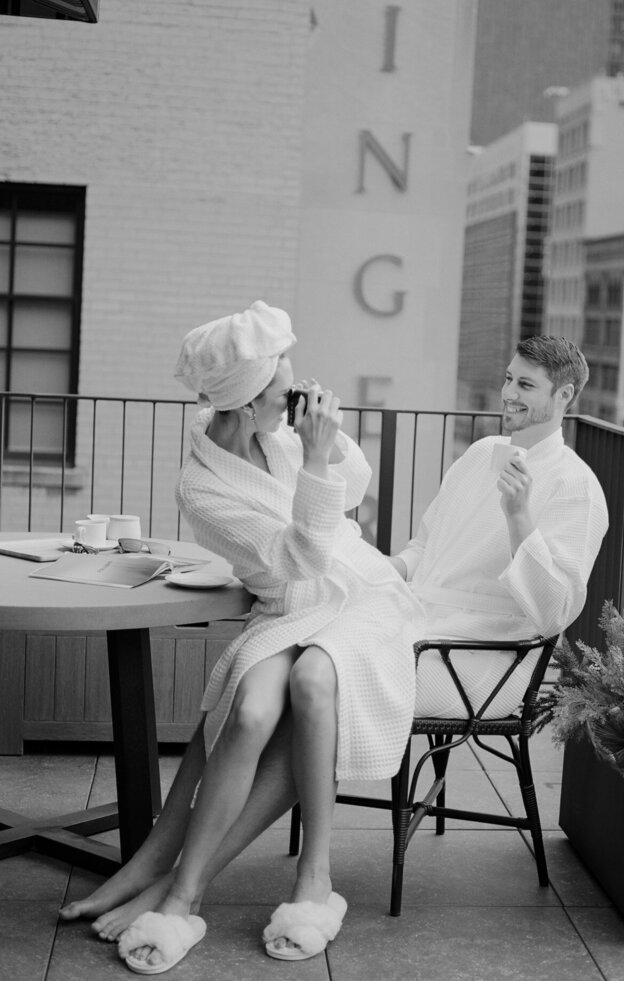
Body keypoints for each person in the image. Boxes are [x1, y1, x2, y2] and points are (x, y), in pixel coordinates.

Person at [60, 301, 424, 972]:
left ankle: (177, 885)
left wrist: (329, 447)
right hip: (291, 603)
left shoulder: (287, 437)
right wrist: (315, 459)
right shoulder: (200, 486)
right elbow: (298, 562)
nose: (295, 398)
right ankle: (161, 871)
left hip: (357, 595)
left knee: (289, 696)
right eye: (282, 390)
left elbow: (353, 494)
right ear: (247, 404)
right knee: (249, 707)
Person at [389, 336, 609, 718]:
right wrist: (387, 570)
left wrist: (518, 515)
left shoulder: (575, 485)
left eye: (525, 385)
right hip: (422, 629)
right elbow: (425, 545)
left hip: (488, 661)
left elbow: (553, 612)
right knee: (313, 655)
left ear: (564, 394)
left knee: (337, 676)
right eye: (508, 379)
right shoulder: (480, 454)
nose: (508, 393)